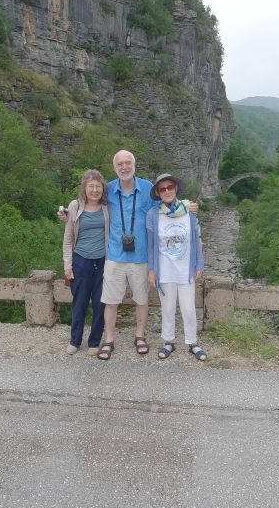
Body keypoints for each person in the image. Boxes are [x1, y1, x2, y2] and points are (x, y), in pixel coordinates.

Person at [58, 150, 197, 361]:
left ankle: (140, 336)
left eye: (128, 163)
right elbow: (88, 200)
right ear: (115, 168)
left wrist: (187, 206)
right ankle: (109, 339)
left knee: (141, 300)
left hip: (141, 257)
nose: (124, 167)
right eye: (120, 164)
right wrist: (67, 214)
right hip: (114, 256)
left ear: (134, 164)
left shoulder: (148, 188)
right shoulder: (109, 190)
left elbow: (165, 205)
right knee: (110, 301)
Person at [146, 173, 207, 361]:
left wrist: (199, 263)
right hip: (164, 269)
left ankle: (192, 342)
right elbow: (150, 246)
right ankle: (168, 341)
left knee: (188, 308)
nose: (166, 191)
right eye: (162, 189)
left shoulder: (189, 211)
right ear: (157, 193)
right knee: (167, 308)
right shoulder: (153, 215)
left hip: (186, 268)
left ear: (176, 189)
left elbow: (196, 240)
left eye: (170, 187)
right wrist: (151, 270)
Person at [62, 170, 110, 355]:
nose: (95, 190)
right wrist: (67, 266)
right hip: (80, 260)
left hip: (103, 261)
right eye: (91, 186)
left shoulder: (107, 207)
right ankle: (75, 340)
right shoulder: (75, 206)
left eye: (98, 186)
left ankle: (94, 341)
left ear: (103, 188)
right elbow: (68, 239)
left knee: (100, 303)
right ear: (85, 187)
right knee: (79, 302)